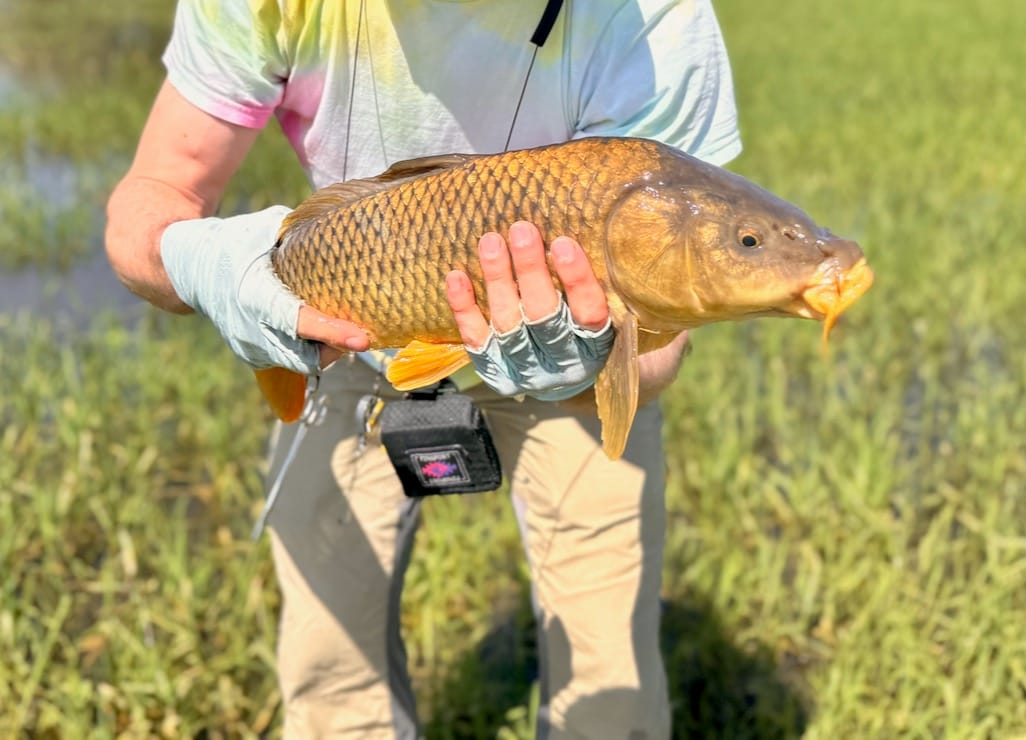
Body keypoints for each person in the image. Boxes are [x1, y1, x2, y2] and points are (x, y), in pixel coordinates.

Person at [104, 0, 740, 737]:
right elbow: (156, 197)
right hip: (353, 314)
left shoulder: (653, 15)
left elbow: (658, 343)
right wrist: (200, 264)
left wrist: (591, 358)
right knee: (328, 666)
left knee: (613, 687)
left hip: (576, 337)